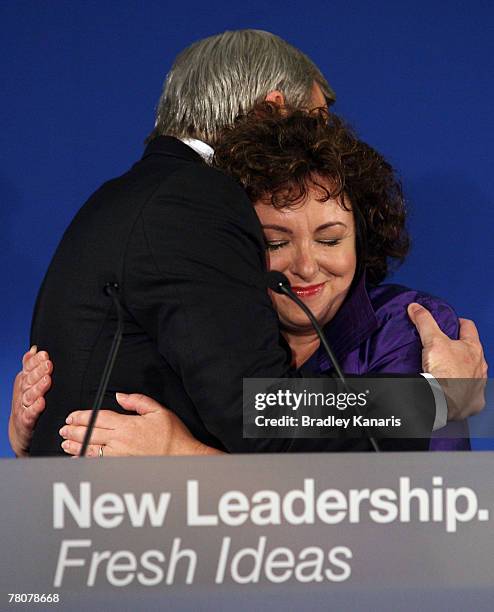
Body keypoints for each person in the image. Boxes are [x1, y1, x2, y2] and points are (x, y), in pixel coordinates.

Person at [9, 31, 487, 458]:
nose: (323, 144)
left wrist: (34, 441)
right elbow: (262, 415)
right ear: (272, 109)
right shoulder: (194, 201)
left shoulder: (122, 196)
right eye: (317, 122)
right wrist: (439, 398)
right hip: (143, 535)